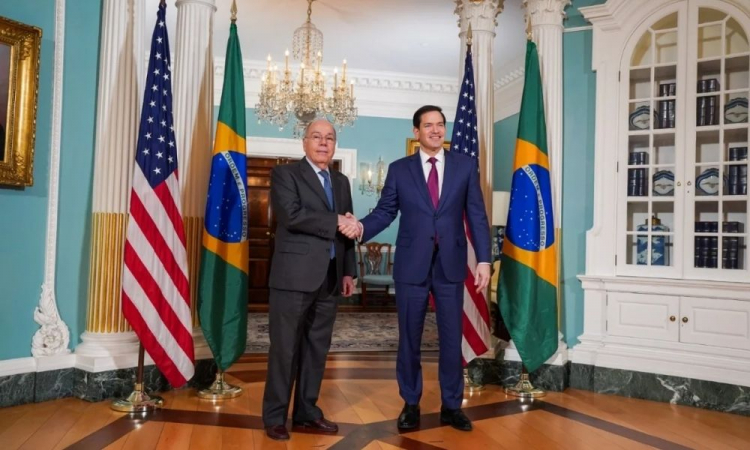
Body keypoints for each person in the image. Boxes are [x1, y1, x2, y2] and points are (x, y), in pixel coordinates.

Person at [342, 105, 491, 432]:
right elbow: (386, 211)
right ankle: (410, 403)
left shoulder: (465, 166)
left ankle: (452, 406)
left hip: (451, 266)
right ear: (416, 131)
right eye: (428, 125)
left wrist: (484, 260)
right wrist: (361, 227)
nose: (436, 130)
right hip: (411, 266)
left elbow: (477, 216)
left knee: (451, 340)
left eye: (440, 125)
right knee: (409, 338)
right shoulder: (400, 169)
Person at [262, 119, 359, 441]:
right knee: (285, 349)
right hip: (293, 277)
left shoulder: (341, 181)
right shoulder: (286, 174)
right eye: (316, 137)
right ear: (304, 142)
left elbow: (346, 231)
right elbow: (292, 215)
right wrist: (335, 219)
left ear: (335, 145)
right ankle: (275, 417)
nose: (323, 143)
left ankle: (306, 412)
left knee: (317, 349)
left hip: (330, 278)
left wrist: (348, 271)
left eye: (329, 138)